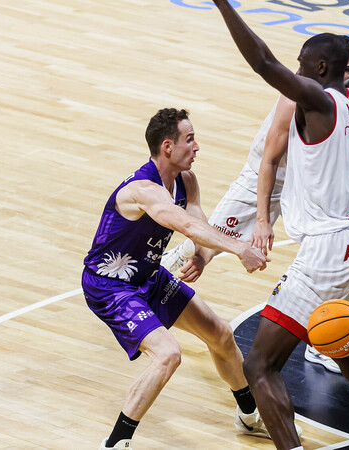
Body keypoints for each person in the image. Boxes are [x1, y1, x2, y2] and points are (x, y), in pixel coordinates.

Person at [211, 0, 349, 448]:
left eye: (302, 65)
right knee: (337, 338)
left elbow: (263, 61)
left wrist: (222, 4)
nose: (295, 70)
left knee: (260, 366)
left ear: (321, 67)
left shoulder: (318, 102)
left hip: (328, 251)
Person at [161, 38, 349, 375]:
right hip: (270, 173)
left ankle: (326, 337)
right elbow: (269, 159)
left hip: (307, 182)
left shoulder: (347, 96)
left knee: (335, 253)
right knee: (209, 243)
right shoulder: (299, 91)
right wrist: (263, 220)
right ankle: (163, 272)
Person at [82, 108, 278, 450]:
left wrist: (202, 257)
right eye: (190, 140)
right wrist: (240, 249)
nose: (197, 147)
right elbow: (185, 225)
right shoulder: (142, 190)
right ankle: (115, 443)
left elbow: (200, 225)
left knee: (220, 333)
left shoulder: (186, 181)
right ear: (168, 146)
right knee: (168, 354)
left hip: (149, 276)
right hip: (111, 286)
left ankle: (248, 417)